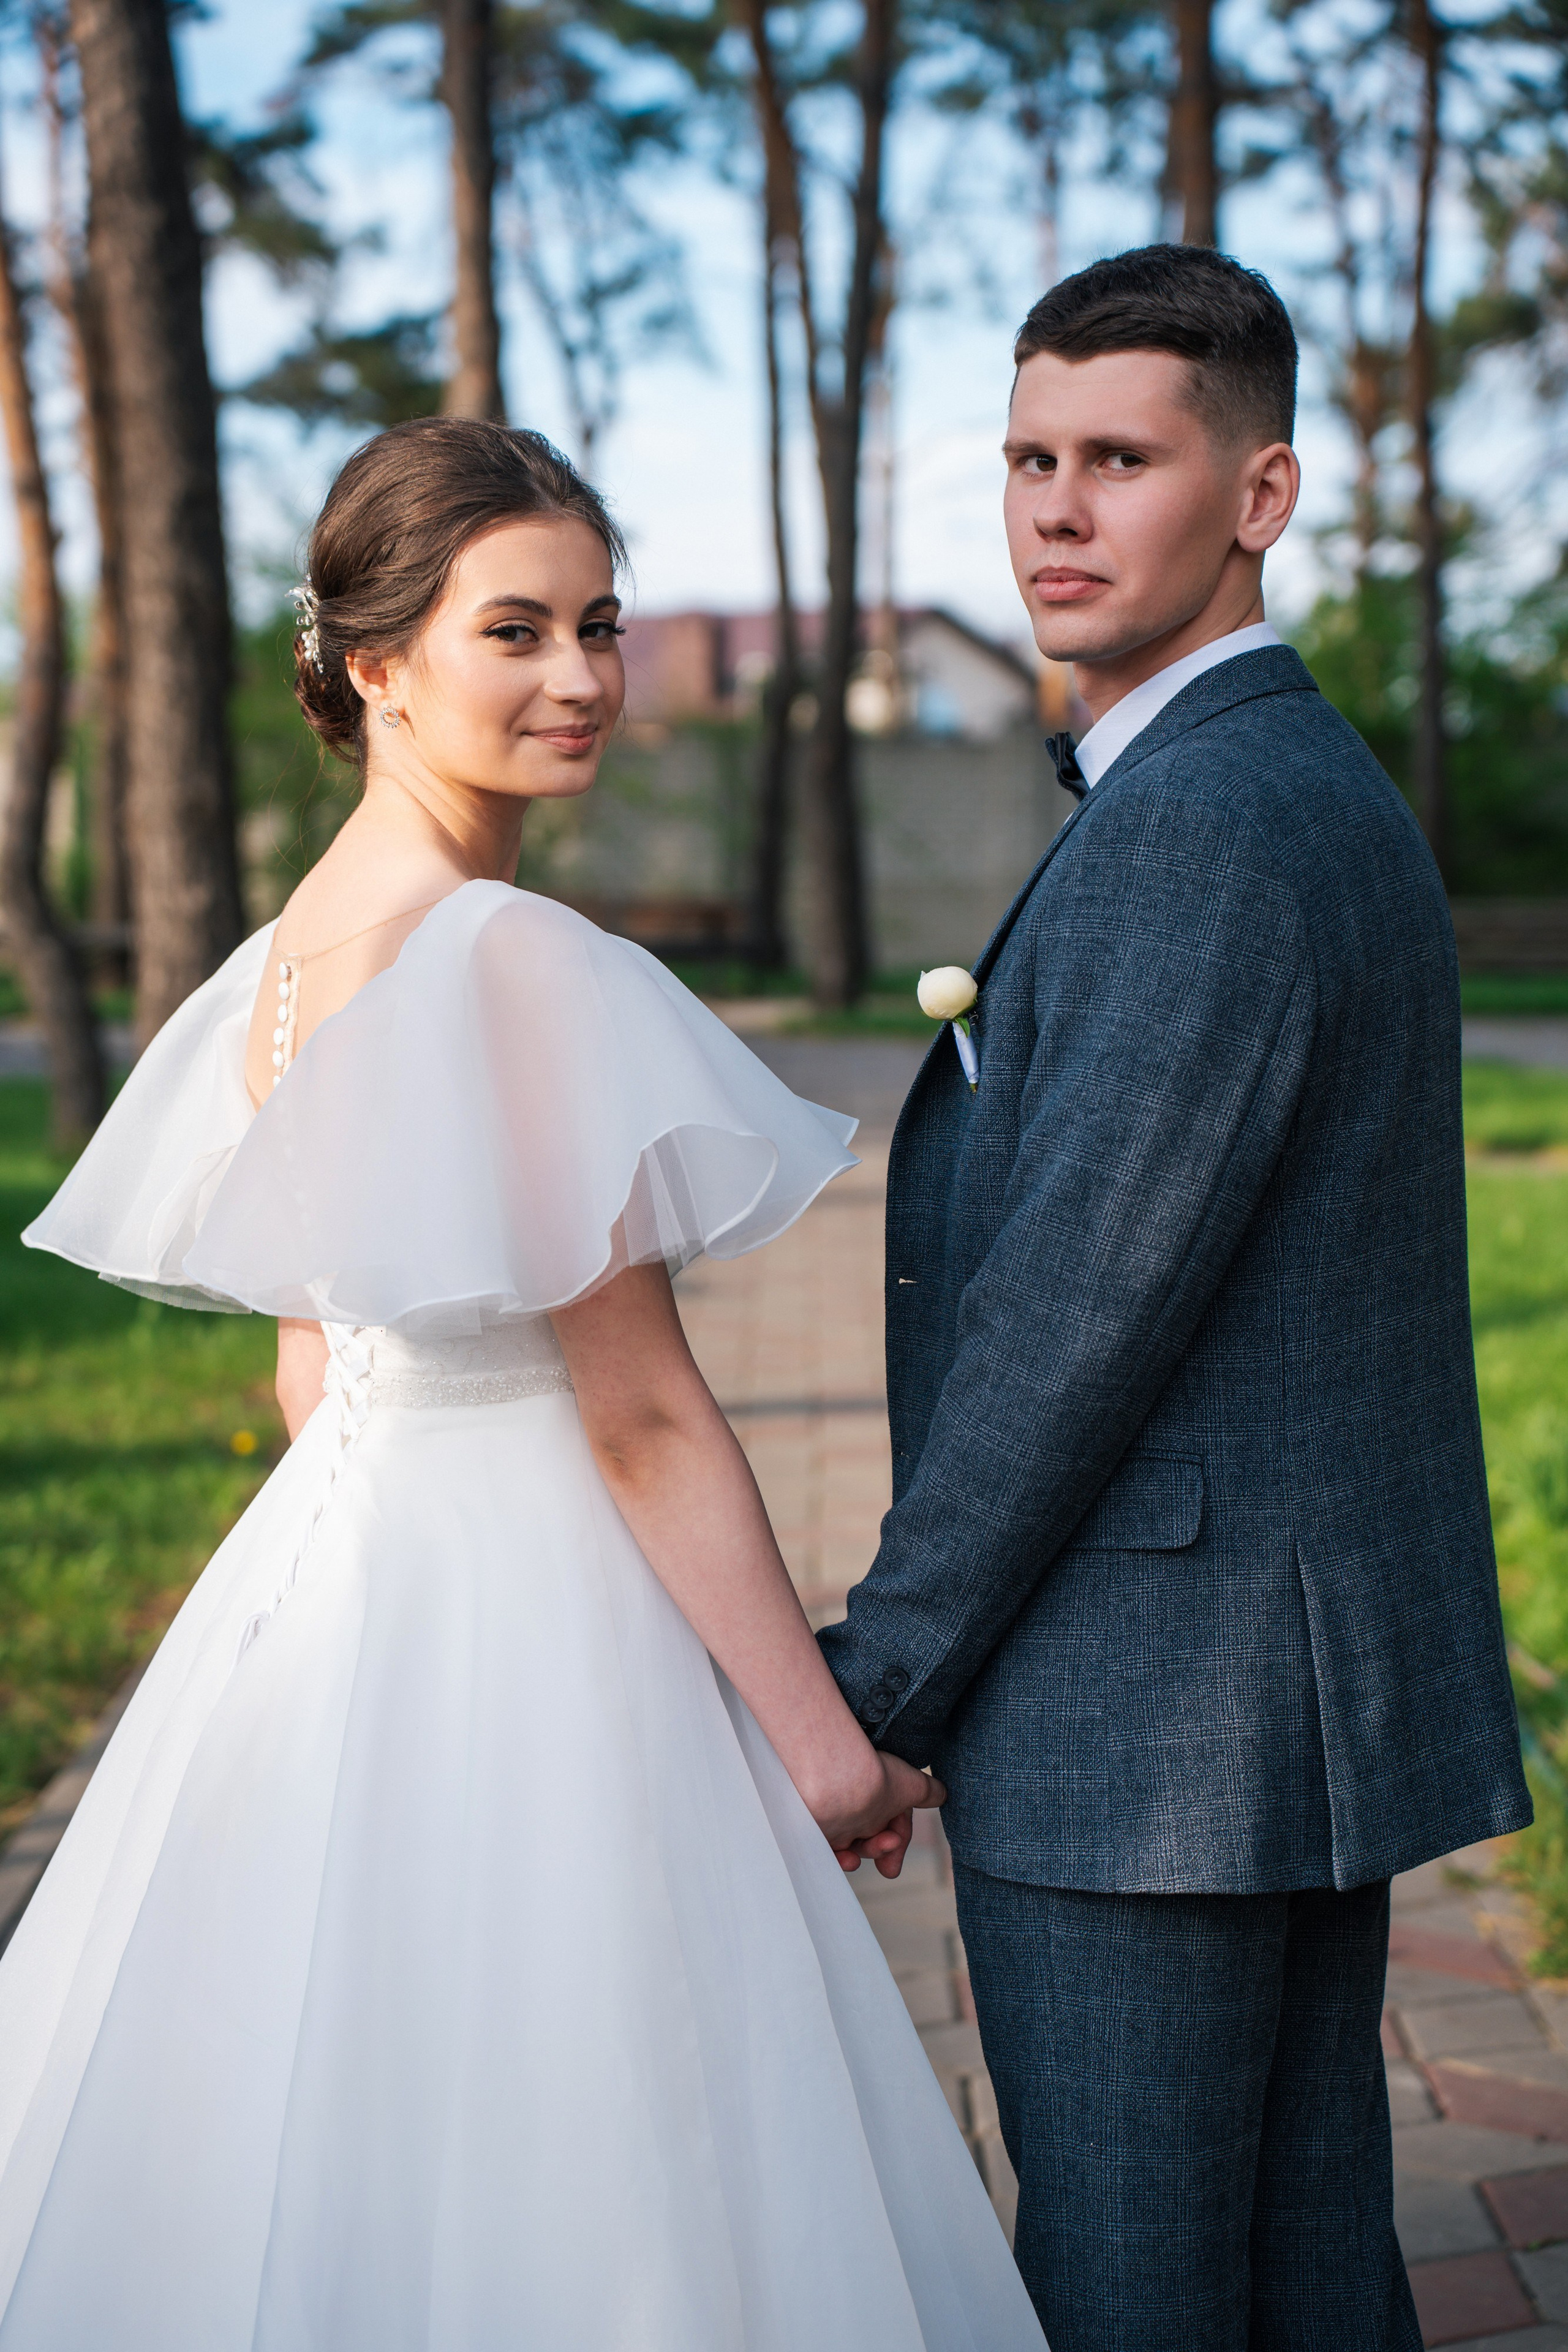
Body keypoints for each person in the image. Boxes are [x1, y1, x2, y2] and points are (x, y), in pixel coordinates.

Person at [0, 418, 1046, 2351]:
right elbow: (639, 1415)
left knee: (336, 2100)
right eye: (515, 631)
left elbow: (320, 1374)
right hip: (530, 1581)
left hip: (330, 1586)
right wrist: (825, 1749)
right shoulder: (510, 957)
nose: (578, 677)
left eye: (600, 623)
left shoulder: (285, 964)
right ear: (376, 664)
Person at [819, 243, 1532, 2351]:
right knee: (1302, 2262)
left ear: (1262, 494)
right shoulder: (1284, 786)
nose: (1052, 508)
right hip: (1272, 1696)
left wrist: (889, 1682)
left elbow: (1071, 1321)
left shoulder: (1207, 825)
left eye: (1119, 458)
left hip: (1150, 1722)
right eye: (1030, 456)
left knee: (1130, 2290)